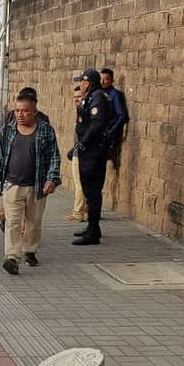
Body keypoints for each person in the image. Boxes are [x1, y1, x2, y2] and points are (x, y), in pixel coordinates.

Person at [0, 91, 61, 275]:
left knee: (33, 223)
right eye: (17, 110)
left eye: (25, 111)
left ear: (34, 112)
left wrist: (52, 179)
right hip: (12, 185)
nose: (20, 114)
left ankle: (29, 250)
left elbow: (54, 157)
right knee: (13, 222)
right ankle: (12, 257)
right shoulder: (7, 130)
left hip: (37, 185)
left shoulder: (45, 130)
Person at [72, 67, 114, 245]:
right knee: (90, 191)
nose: (79, 85)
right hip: (90, 150)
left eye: (81, 81)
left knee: (92, 191)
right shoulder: (93, 96)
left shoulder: (96, 97)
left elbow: (96, 124)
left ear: (87, 82)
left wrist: (84, 143)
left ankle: (93, 232)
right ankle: (92, 227)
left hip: (93, 151)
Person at [100, 68, 130, 210]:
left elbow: (122, 115)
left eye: (106, 79)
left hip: (109, 137)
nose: (103, 81)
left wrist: (111, 131)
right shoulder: (99, 94)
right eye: (101, 78)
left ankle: (108, 201)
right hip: (100, 136)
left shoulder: (115, 95)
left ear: (111, 80)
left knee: (108, 169)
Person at [65, 81, 87, 222]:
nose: (76, 99)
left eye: (79, 96)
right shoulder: (80, 111)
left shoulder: (86, 112)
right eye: (74, 97)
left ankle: (78, 212)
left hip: (81, 154)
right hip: (77, 151)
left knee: (79, 183)